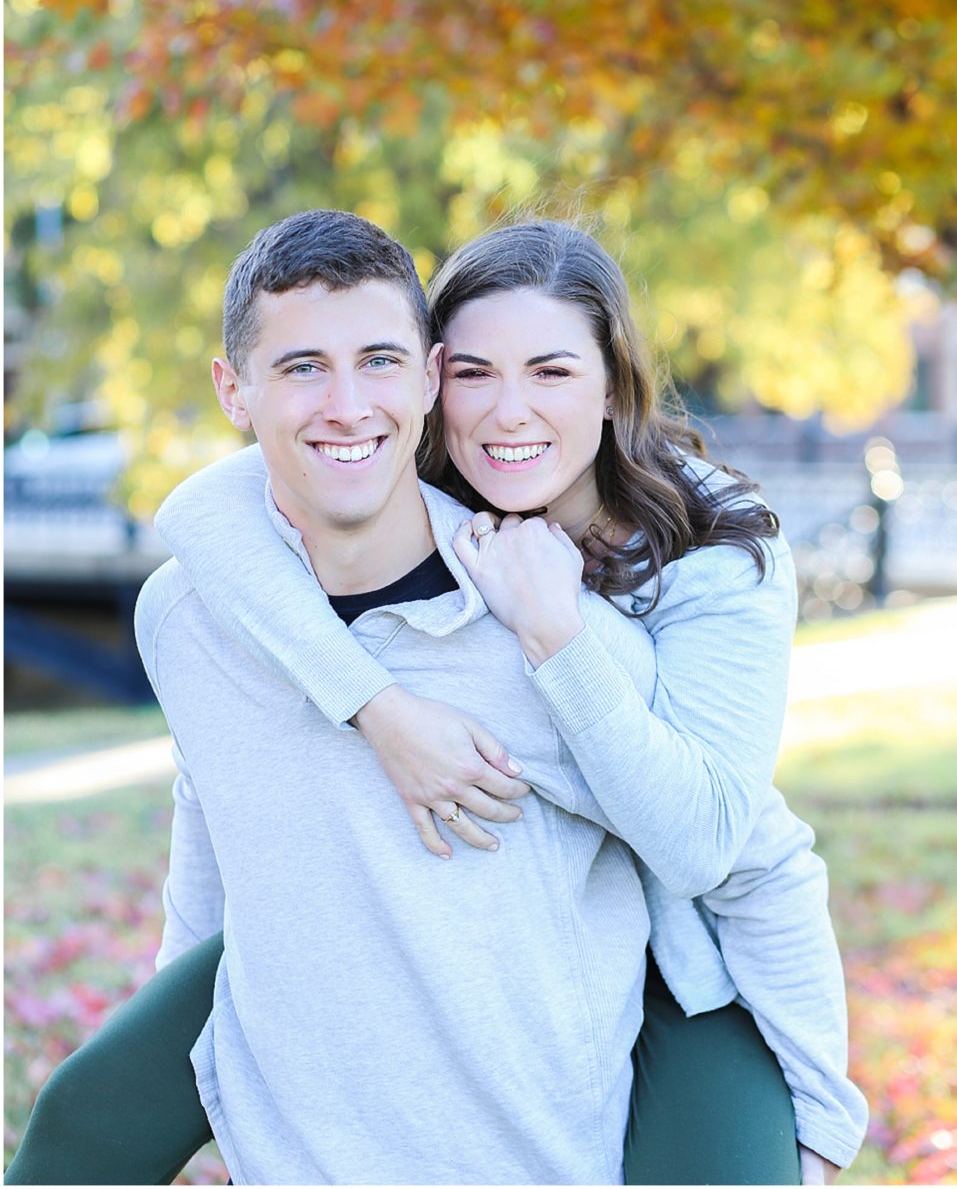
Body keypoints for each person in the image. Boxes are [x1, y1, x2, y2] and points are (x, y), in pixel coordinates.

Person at [6, 213, 867, 1186]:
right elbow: (207, 514)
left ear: (612, 385)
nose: (506, 414)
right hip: (386, 938)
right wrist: (376, 704)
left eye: (550, 372)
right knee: (83, 1120)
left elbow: (727, 844)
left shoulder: (715, 557)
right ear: (435, 377)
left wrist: (555, 634)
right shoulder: (383, 478)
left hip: (686, 947)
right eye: (474, 374)